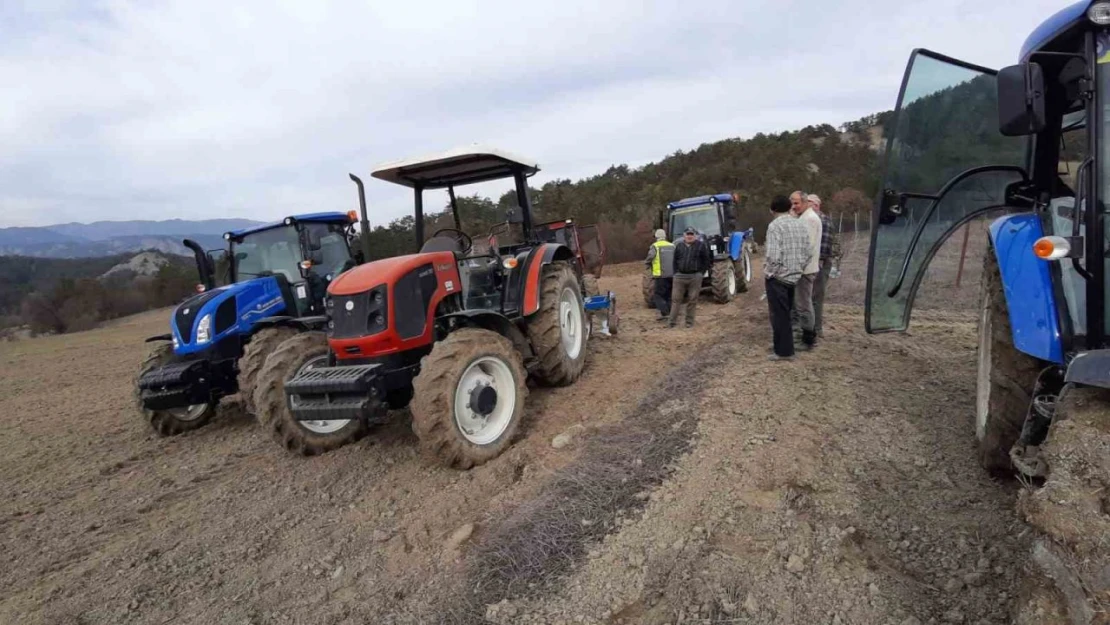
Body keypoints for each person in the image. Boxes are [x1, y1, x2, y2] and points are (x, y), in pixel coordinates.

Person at [764, 195, 813, 360]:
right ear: (789, 208)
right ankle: (785, 346)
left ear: (772, 210)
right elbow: (808, 251)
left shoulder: (774, 226)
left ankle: (784, 352)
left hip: (778, 278)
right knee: (787, 314)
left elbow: (773, 256)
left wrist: (771, 273)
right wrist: (798, 268)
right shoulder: (799, 224)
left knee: (780, 316)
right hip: (794, 277)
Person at [789, 190, 821, 349]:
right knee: (801, 303)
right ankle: (805, 335)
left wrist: (796, 268)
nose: (794, 207)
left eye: (796, 203)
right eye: (792, 203)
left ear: (805, 202)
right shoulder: (804, 217)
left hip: (805, 270)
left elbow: (806, 247)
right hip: (803, 268)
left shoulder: (809, 220)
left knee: (803, 304)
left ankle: (809, 340)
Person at [807, 194, 837, 338]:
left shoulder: (821, 220)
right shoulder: (812, 219)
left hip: (820, 262)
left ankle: (816, 329)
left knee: (815, 297)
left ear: (817, 205)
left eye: (809, 203)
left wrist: (815, 263)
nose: (806, 206)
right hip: (815, 262)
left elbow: (823, 247)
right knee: (810, 297)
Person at [669, 227, 711, 328]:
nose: (689, 236)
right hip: (680, 277)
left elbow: (706, 261)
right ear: (684, 235)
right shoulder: (679, 246)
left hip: (694, 277)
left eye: (691, 234)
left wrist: (700, 273)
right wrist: (675, 273)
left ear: (695, 236)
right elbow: (675, 261)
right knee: (676, 300)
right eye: (688, 234)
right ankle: (672, 322)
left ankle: (689, 322)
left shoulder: (701, 246)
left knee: (692, 299)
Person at [644, 229, 675, 319]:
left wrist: (647, 264)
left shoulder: (655, 246)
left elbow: (650, 257)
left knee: (657, 295)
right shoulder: (672, 246)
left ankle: (665, 312)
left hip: (661, 275)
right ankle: (670, 312)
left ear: (656, 237)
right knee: (669, 295)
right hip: (672, 275)